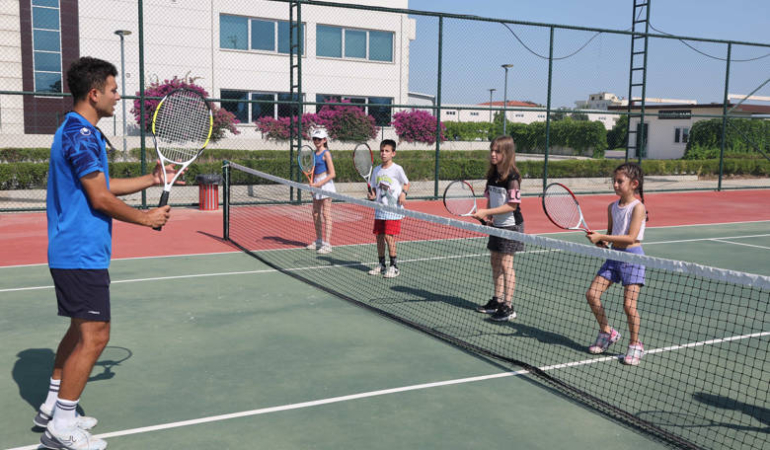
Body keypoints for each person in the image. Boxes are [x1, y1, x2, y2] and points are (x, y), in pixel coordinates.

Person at [37, 56, 181, 450]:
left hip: (76, 250)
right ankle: (62, 427)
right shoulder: (81, 135)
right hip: (79, 251)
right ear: (94, 93)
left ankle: (54, 403)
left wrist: (150, 180)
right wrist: (146, 218)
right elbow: (99, 198)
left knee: (79, 330)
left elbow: (102, 184)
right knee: (96, 336)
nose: (119, 97)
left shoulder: (77, 130)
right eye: (114, 90)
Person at [585, 162, 648, 366]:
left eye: (620, 181)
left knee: (629, 306)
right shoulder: (612, 207)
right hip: (615, 258)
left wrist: (603, 236)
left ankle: (635, 344)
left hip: (632, 258)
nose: (615, 184)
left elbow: (630, 238)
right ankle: (607, 332)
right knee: (592, 295)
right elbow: (612, 236)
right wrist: (602, 242)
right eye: (614, 180)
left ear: (634, 183)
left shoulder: (638, 207)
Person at [472, 135, 524, 322]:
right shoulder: (492, 176)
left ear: (507, 153)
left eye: (497, 151)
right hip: (497, 225)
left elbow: (512, 205)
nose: (492, 154)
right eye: (491, 150)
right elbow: (491, 198)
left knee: (506, 265)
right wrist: (489, 217)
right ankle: (497, 300)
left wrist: (487, 210)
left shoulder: (513, 178)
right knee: (495, 262)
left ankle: (508, 306)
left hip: (511, 226)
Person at [367, 139, 409, 278]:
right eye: (382, 150)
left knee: (388, 236)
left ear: (393, 153)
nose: (383, 153)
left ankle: (394, 267)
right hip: (380, 209)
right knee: (379, 237)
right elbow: (373, 188)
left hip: (393, 210)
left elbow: (407, 183)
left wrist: (403, 193)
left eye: (387, 151)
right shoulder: (377, 170)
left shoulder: (397, 169)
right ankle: (381, 265)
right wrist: (371, 195)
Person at [305, 128, 336, 254]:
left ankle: (327, 244)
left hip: (326, 184)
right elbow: (312, 170)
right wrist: (312, 184)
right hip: (316, 184)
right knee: (315, 213)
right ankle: (319, 240)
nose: (316, 141)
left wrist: (318, 184)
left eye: (319, 139)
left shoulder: (326, 154)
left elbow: (332, 173)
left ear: (324, 140)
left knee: (326, 214)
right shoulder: (313, 153)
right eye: (314, 139)